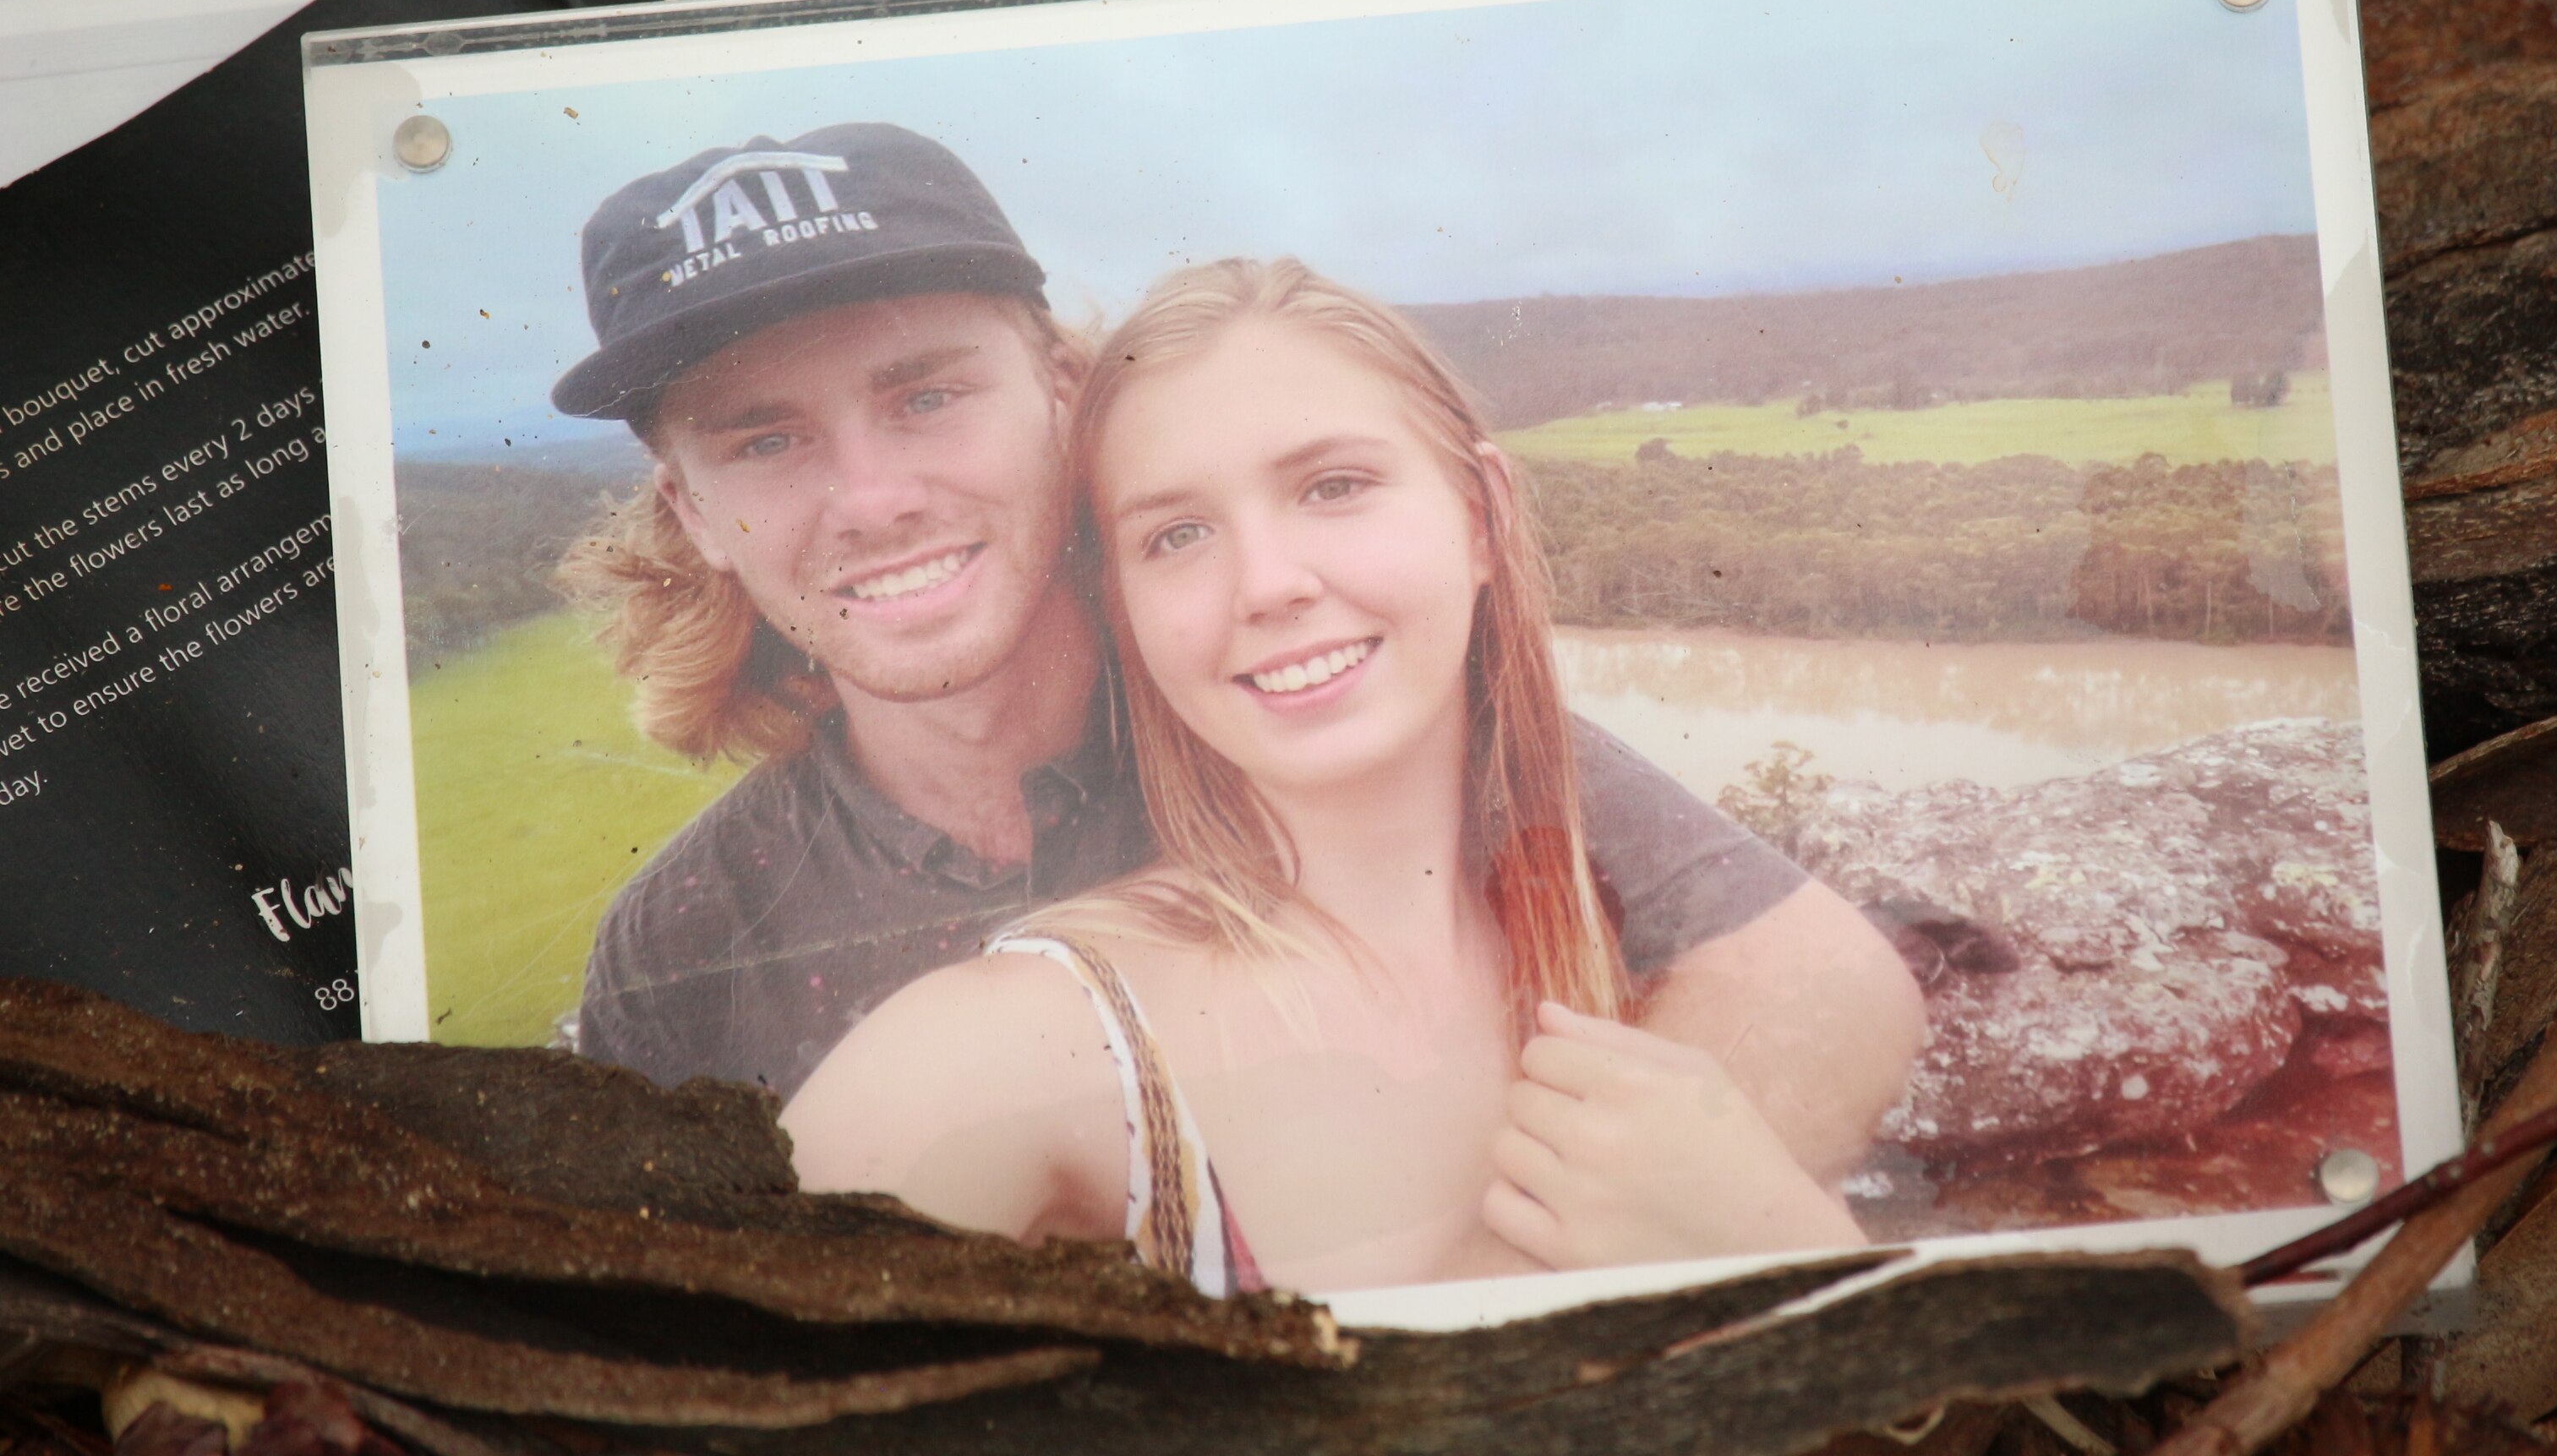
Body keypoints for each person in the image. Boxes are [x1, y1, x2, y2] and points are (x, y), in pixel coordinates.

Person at [551, 125, 1923, 1187]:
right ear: (693, 515)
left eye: (927, 395)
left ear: (1063, 395)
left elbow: (1809, 979)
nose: (872, 496)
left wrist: (1549, 1272)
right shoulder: (684, 940)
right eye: (764, 440)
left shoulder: (1284, 710)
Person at [783, 259, 1892, 1290]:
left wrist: (1783, 1242)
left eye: (1334, 487)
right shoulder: (1026, 1043)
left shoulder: (1597, 942)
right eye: (1176, 536)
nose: (1267, 584)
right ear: (1123, 607)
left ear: (1482, 518)